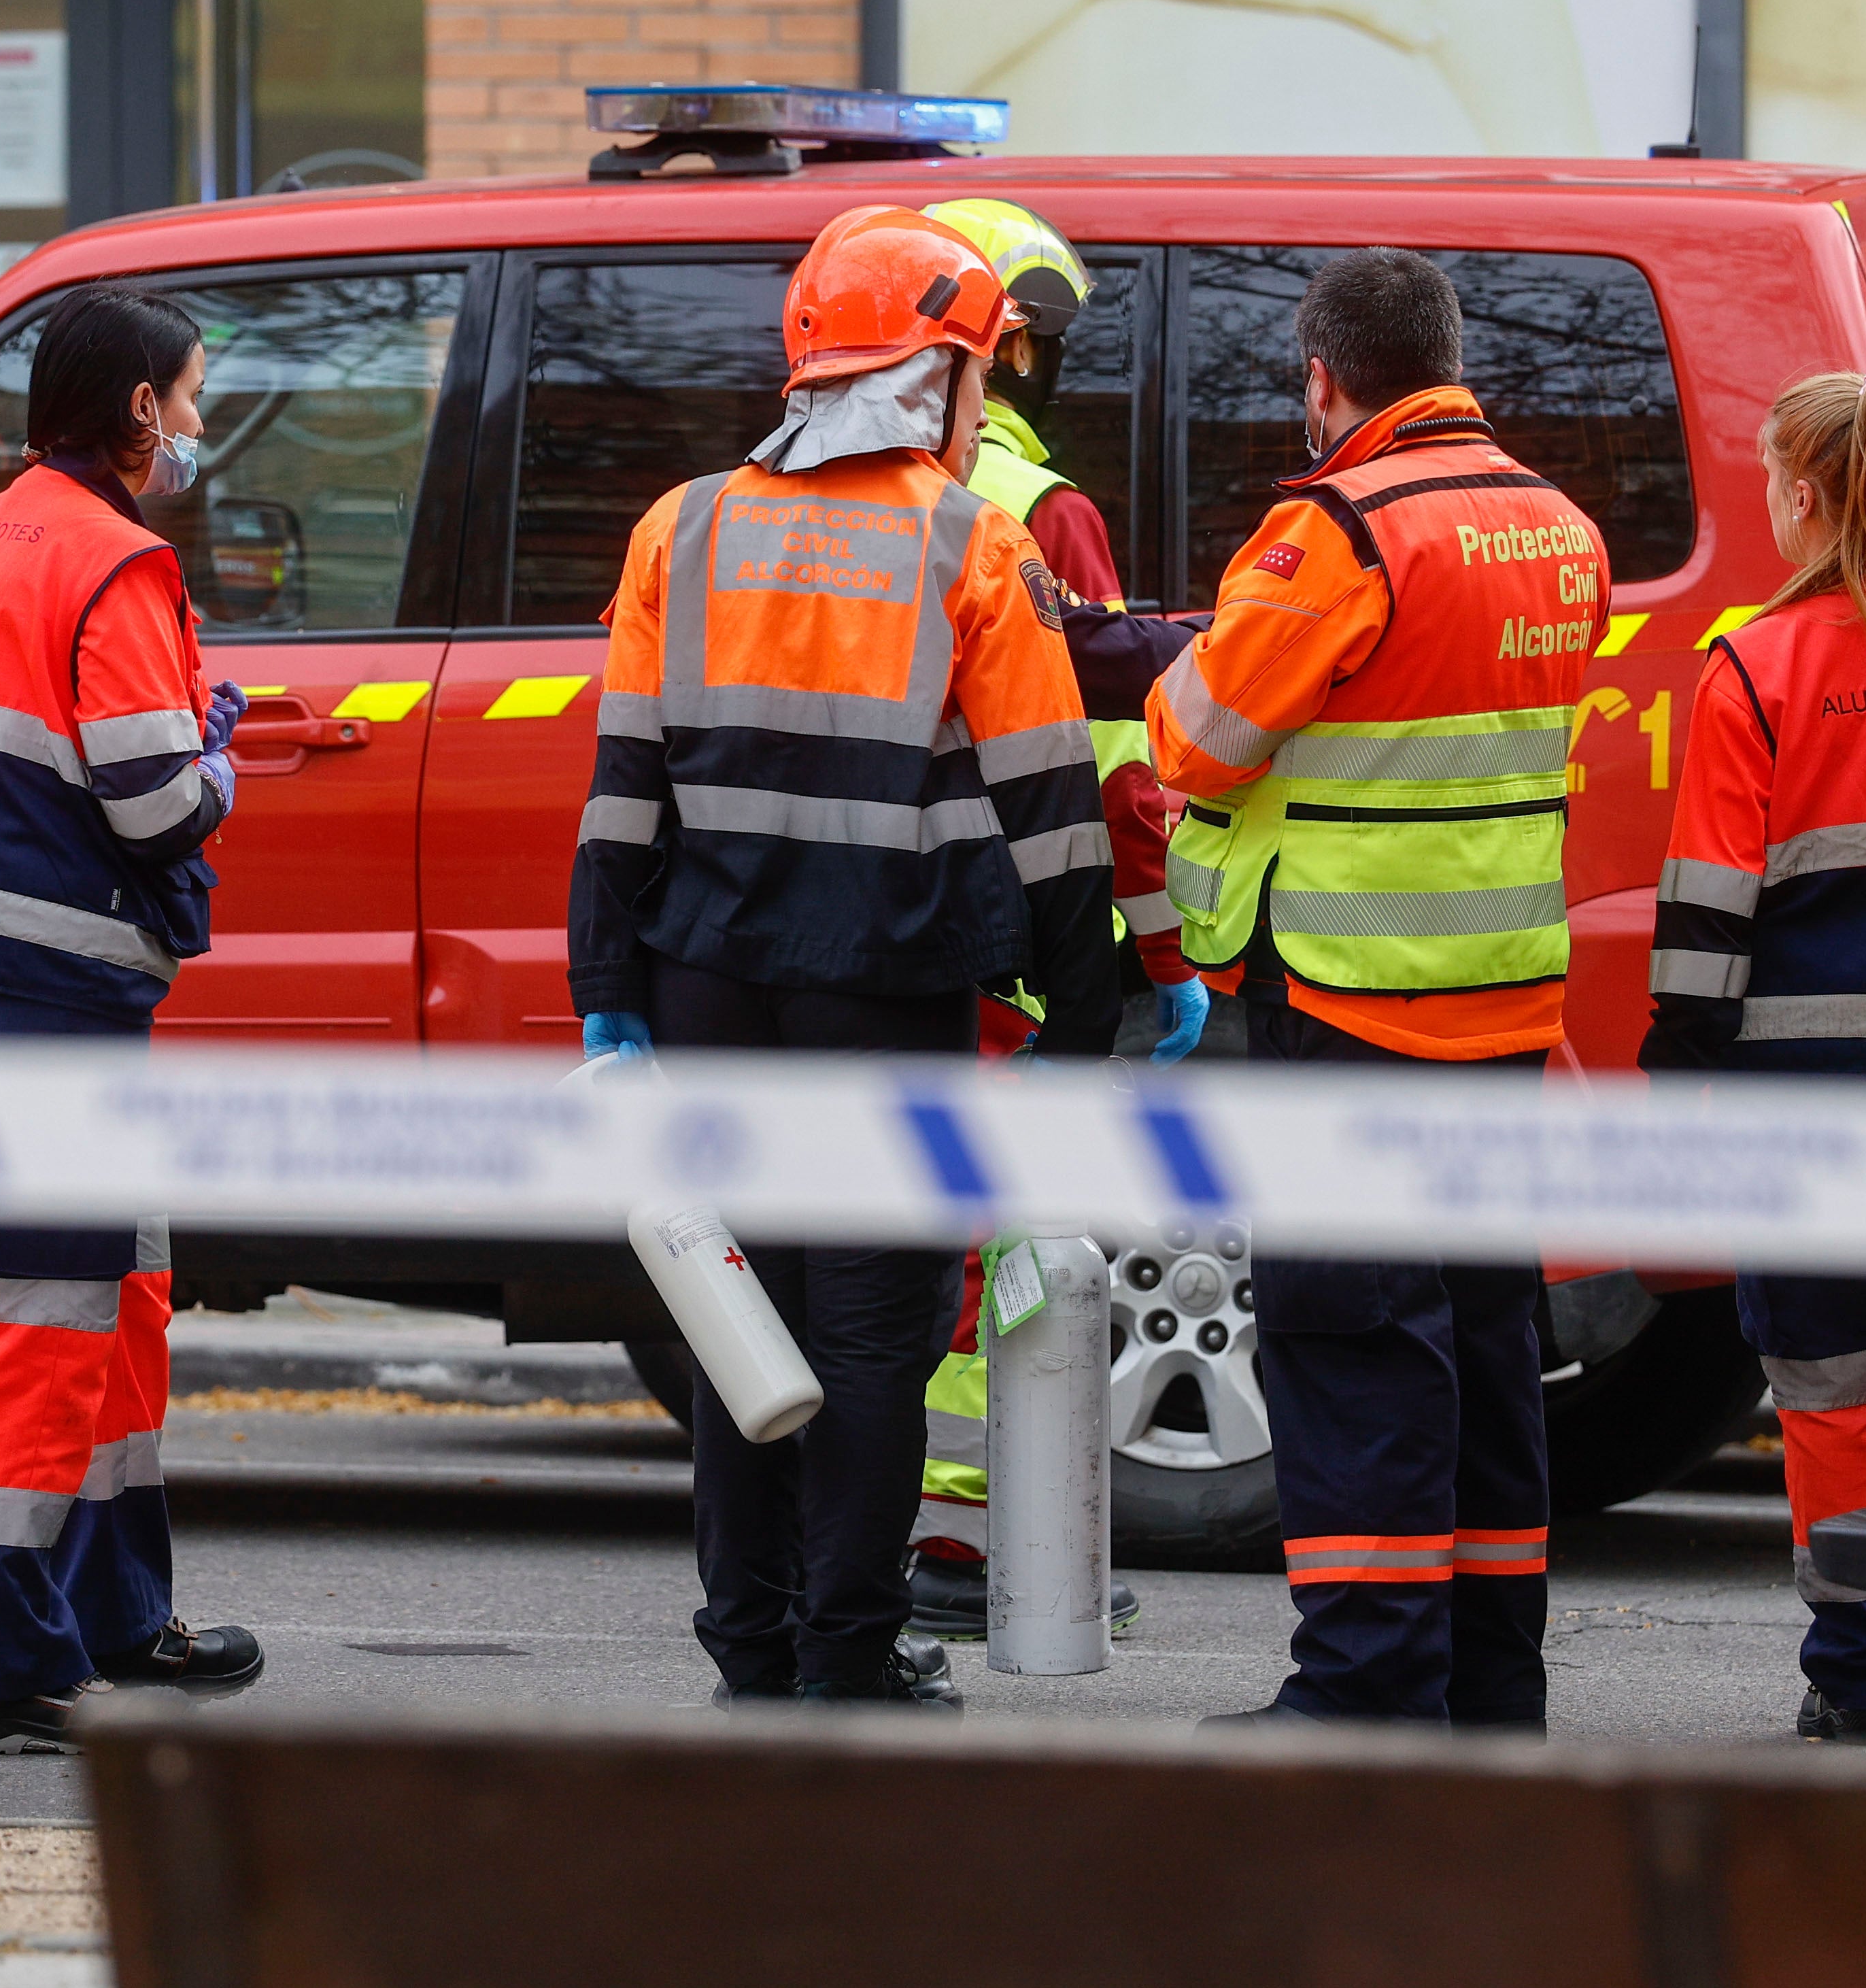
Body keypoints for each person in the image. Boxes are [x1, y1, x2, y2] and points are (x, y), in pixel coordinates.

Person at [569, 203, 1123, 1708]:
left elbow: (623, 785)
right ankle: (847, 1649)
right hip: (884, 989)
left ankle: (750, 1638)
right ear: (938, 374)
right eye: (978, 370)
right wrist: (1092, 1005)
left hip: (704, 981)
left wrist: (605, 985)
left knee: (737, 1311)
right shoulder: (968, 539)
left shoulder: (679, 527)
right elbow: (1050, 801)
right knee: (870, 1335)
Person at [1071, 248, 1605, 1726]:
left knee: (1353, 1343)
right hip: (1503, 990)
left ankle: (1365, 1687)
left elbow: (1201, 743)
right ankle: (1493, 1682)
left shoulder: (1336, 527)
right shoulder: (1552, 522)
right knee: (1484, 1346)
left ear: (1323, 375)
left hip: (1351, 994)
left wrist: (1178, 667)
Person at [0, 285, 267, 1756]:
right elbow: (156, 801)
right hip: (47, 974)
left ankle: (112, 1620)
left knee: (114, 1290)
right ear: (133, 412)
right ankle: (1, 1668)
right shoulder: (119, 563)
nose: (194, 422)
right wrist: (222, 759)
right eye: (186, 397)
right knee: (44, 1310)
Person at [900, 196, 1191, 1643]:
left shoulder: (834, 506)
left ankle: (884, 1551)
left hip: (886, 926)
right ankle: (974, 1553)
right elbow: (1111, 759)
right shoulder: (1039, 513)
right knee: (1006, 1246)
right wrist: (1157, 943)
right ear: (1004, 341)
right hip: (1020, 937)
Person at [1640, 368, 1866, 1746]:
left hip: (1800, 1103)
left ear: (1803, 494)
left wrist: (1677, 1083)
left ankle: (1865, 1672)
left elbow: (1703, 922)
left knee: (1824, 1394)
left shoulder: (1754, 662)